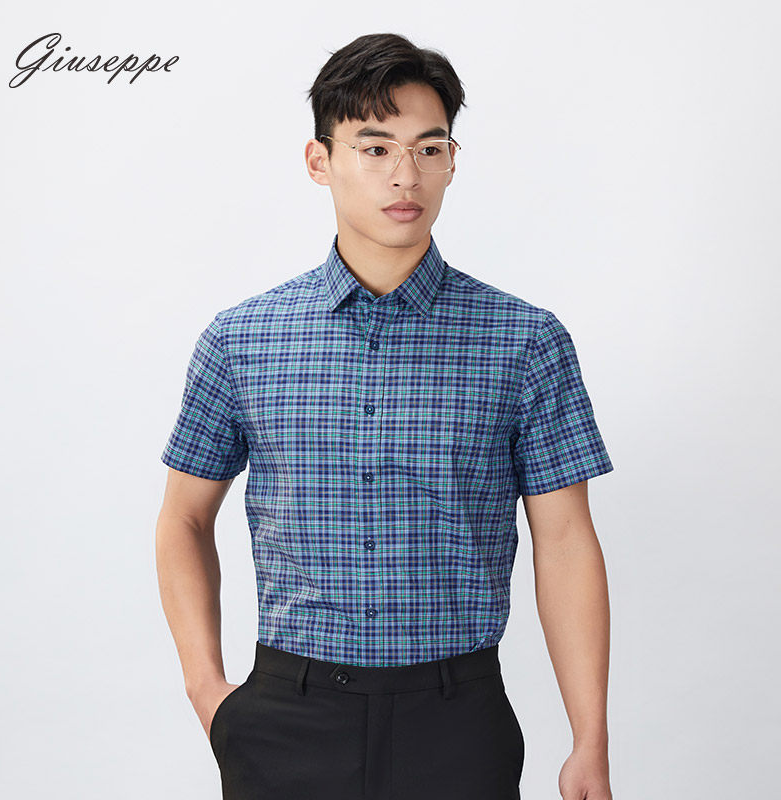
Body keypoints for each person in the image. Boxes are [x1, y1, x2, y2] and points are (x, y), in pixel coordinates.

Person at [156, 32, 615, 800]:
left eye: (429, 148)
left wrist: (589, 738)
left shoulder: (525, 341)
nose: (406, 175)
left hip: (458, 722)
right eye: (375, 149)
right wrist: (209, 692)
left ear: (452, 161)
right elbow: (183, 518)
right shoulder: (242, 340)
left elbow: (565, 538)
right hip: (287, 718)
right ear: (319, 161)